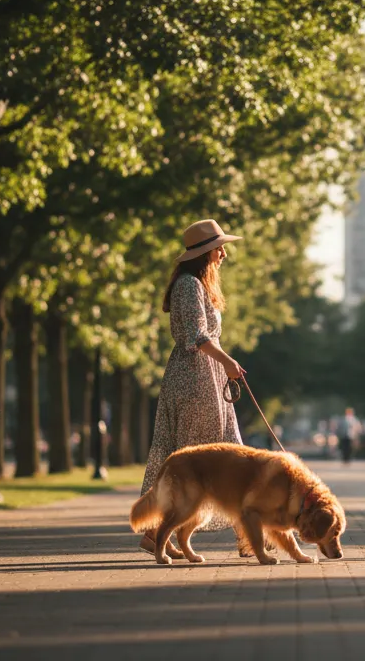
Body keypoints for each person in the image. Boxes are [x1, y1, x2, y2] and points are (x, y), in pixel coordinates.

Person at [138, 219, 249, 557]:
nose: (224, 253)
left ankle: (248, 536)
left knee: (229, 452)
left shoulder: (198, 285)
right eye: (219, 247)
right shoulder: (188, 285)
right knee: (197, 460)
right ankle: (158, 529)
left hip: (208, 379)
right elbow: (197, 337)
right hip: (194, 381)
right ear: (204, 252)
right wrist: (228, 362)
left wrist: (223, 367)